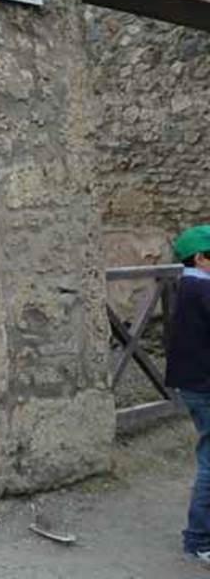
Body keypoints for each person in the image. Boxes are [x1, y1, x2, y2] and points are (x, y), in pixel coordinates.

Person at [167, 224, 210, 566]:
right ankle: (198, 540)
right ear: (200, 258)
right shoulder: (202, 291)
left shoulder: (187, 287)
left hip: (193, 385)